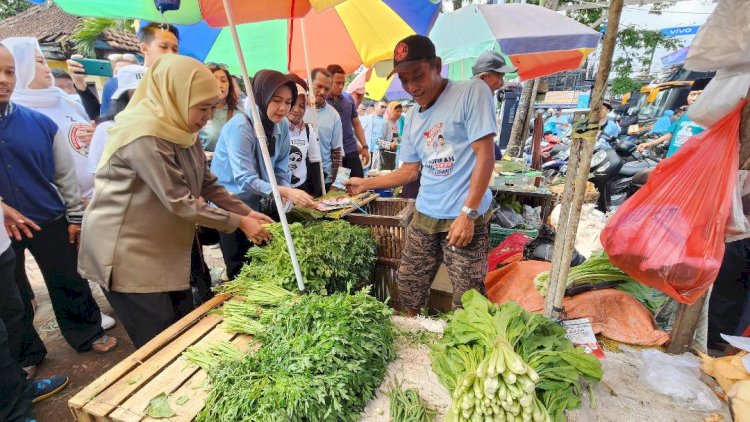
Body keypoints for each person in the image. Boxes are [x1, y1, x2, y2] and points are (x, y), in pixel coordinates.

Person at [78, 55, 272, 348]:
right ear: (175, 96)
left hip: (159, 246)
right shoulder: (143, 134)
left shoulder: (182, 129)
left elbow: (208, 184)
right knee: (158, 339)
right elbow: (179, 201)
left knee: (181, 327)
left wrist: (247, 212)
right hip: (126, 252)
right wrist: (240, 223)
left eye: (212, 108)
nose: (207, 117)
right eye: (203, 108)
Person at [345, 35, 496, 314]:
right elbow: (408, 171)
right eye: (404, 80)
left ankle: (466, 348)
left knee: (469, 298)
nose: (412, 87)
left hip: (463, 215)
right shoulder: (413, 117)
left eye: (418, 76)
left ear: (436, 65)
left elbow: (485, 157)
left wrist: (468, 214)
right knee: (409, 285)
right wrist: (365, 182)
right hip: (426, 213)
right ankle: (416, 333)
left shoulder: (471, 92)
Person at [0, 40, 118, 364]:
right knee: (14, 294)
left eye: (9, 71)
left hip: (46, 215)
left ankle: (87, 331)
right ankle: (27, 355)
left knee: (66, 277)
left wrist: (74, 217)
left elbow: (64, 175)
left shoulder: (40, 122)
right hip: (2, 227)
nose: (4, 79)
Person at [212, 70, 314, 279]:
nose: (283, 108)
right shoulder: (241, 126)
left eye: (288, 102)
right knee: (239, 266)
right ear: (262, 97)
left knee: (259, 261)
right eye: (276, 100)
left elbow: (281, 168)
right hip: (230, 205)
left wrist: (285, 193)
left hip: (254, 204)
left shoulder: (282, 125)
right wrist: (283, 190)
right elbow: (244, 179)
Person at [5, 38, 96, 204]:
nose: (47, 68)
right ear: (19, 66)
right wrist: (72, 202)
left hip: (100, 196)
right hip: (66, 208)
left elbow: (92, 127)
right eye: (40, 62)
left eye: (46, 61)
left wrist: (96, 136)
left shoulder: (64, 99)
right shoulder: (13, 113)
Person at [87, 65, 146, 174]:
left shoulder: (160, 126)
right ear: (124, 96)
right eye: (138, 93)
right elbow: (96, 172)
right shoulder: (107, 129)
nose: (146, 97)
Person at [637, 78, 710, 157]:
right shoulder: (684, 115)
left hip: (692, 162)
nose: (694, 98)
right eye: (692, 94)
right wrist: (651, 144)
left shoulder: (712, 118)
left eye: (700, 94)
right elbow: (671, 133)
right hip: (672, 158)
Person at [327, 64, 370, 177]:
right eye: (337, 83)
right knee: (339, 190)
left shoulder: (348, 99)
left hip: (351, 151)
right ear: (328, 81)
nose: (341, 86)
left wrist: (364, 146)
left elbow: (356, 124)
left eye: (343, 83)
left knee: (359, 186)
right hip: (332, 155)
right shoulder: (322, 102)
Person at [307, 67, 344, 186]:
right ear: (309, 82)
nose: (322, 92)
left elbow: (337, 152)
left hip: (324, 180)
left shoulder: (334, 116)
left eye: (326, 89)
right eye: (318, 86)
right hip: (299, 181)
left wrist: (337, 185)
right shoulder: (296, 111)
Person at [288, 83, 324, 197]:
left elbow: (315, 163)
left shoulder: (308, 130)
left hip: (302, 189)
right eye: (293, 103)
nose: (296, 109)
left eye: (302, 105)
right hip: (281, 191)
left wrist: (317, 195)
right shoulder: (275, 129)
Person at [199, 63, 241, 152]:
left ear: (230, 85)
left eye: (223, 80)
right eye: (214, 79)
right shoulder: (196, 113)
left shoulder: (241, 115)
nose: (219, 84)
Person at [372, 101, 403, 171]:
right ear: (391, 110)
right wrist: (389, 145)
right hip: (382, 156)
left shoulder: (397, 123)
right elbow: (377, 141)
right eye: (397, 111)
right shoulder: (384, 123)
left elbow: (396, 138)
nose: (399, 114)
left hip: (392, 155)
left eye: (401, 111)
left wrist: (400, 141)